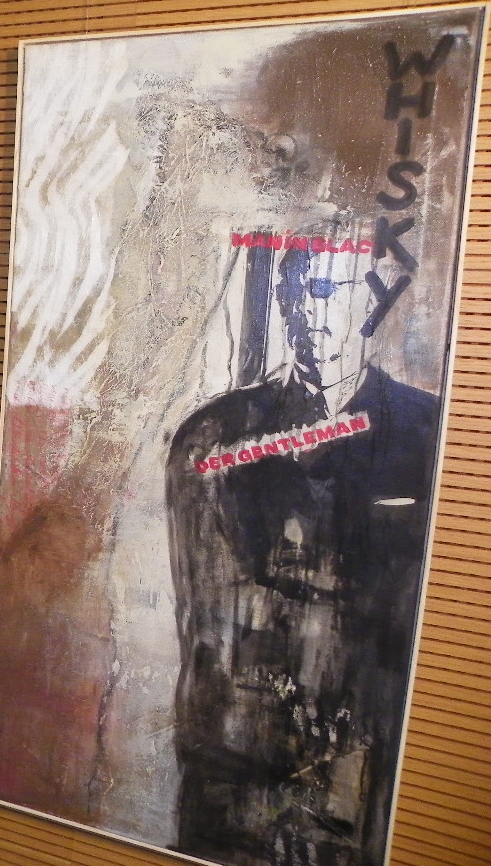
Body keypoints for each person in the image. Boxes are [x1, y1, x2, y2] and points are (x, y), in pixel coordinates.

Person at [166, 234, 440, 866]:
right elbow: (211, 612)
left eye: (328, 291)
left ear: (371, 302)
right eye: (294, 293)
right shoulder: (214, 434)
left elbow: (406, 621)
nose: (310, 313)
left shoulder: (425, 433)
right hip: (236, 751)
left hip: (363, 755)